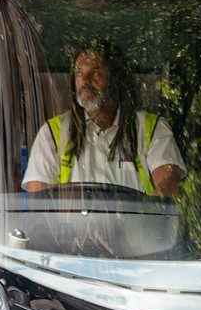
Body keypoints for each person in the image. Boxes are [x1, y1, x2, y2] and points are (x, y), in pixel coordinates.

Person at [24, 42, 185, 198]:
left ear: (115, 80)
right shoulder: (52, 133)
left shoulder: (151, 128)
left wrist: (153, 206)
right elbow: (38, 203)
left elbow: (169, 186)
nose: (85, 81)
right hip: (72, 227)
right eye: (79, 73)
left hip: (137, 226)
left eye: (95, 73)